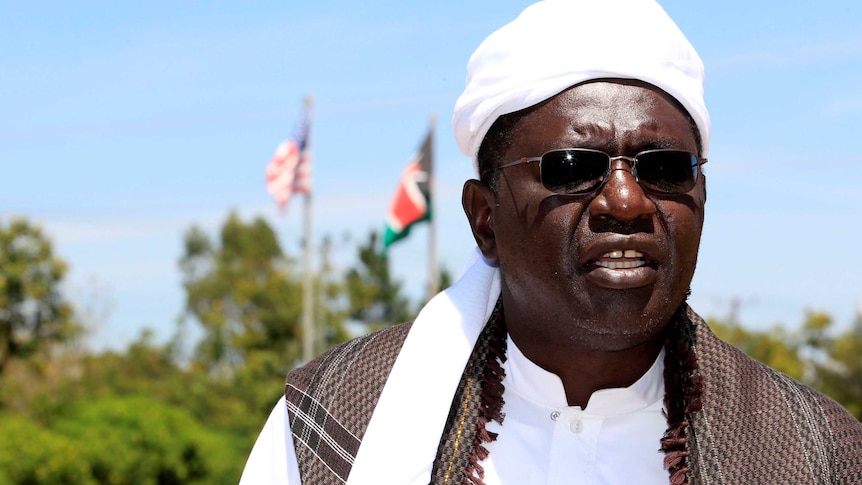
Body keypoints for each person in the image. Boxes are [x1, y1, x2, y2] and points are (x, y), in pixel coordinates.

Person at [240, 1, 862, 484]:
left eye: (665, 168)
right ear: (485, 219)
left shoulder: (817, 453)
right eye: (572, 167)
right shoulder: (333, 423)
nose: (627, 200)